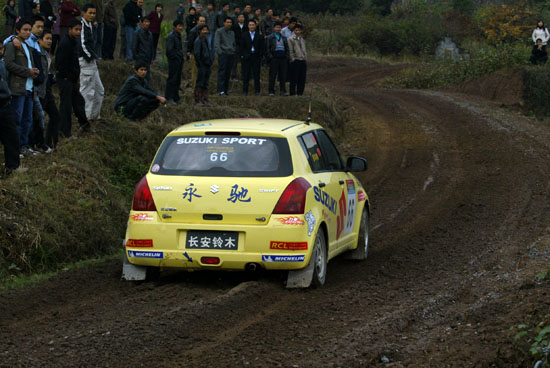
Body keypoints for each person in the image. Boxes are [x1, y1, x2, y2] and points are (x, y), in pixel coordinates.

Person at [4, 19, 39, 155]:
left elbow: (29, 65)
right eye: (25, 29)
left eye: (29, 30)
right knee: (16, 119)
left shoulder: (26, 46)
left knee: (27, 119)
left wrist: (34, 72)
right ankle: (15, 147)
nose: (28, 32)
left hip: (29, 87)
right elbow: (8, 64)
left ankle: (24, 145)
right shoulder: (12, 45)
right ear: (17, 30)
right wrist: (27, 72)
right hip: (17, 88)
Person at [56, 18, 90, 137]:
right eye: (76, 29)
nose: (78, 32)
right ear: (70, 29)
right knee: (66, 106)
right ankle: (65, 132)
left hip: (72, 79)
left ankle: (85, 125)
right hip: (66, 79)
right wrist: (66, 76)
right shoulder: (65, 43)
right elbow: (60, 63)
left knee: (78, 102)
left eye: (80, 30)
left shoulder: (74, 42)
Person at [79, 3, 104, 124]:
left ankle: (95, 115)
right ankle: (86, 118)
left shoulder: (90, 25)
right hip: (86, 61)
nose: (92, 15)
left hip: (92, 61)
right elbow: (82, 44)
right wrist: (90, 57)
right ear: (83, 13)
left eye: (94, 13)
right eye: (90, 13)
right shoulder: (82, 25)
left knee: (100, 90)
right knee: (87, 91)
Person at [0, 41, 22, 175]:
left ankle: (12, 166)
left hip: (5, 103)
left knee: (11, 136)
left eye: (1, 48)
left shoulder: (2, 62)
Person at [37, 28, 60, 149]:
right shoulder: (38, 54)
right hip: (40, 91)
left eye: (51, 39)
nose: (50, 41)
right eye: (47, 39)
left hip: (47, 90)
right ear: (40, 40)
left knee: (55, 115)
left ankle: (51, 142)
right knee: (38, 119)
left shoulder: (47, 54)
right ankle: (39, 144)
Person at [240, 18, 262, 96]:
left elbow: (261, 47)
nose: (251, 26)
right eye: (250, 25)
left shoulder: (259, 36)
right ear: (248, 26)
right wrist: (243, 55)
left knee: (256, 75)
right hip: (247, 57)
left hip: (256, 57)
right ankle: (245, 91)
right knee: (246, 75)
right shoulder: (244, 35)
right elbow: (242, 47)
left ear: (255, 26)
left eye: (253, 25)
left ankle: (257, 91)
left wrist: (260, 56)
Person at [266, 21, 289, 96]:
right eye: (277, 27)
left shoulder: (284, 38)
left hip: (283, 58)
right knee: (273, 75)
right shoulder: (270, 37)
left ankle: (283, 90)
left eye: (279, 27)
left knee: (283, 75)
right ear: (274, 28)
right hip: (274, 57)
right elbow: (267, 49)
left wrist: (287, 56)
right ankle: (271, 91)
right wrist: (270, 57)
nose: (278, 29)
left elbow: (287, 48)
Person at [214, 16, 234, 96]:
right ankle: (220, 90)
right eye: (227, 22)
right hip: (223, 54)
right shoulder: (219, 31)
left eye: (230, 22)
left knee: (228, 73)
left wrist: (233, 50)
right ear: (224, 23)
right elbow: (217, 43)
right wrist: (220, 52)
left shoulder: (232, 32)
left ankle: (225, 90)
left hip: (231, 53)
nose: (229, 24)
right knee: (222, 72)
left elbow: (233, 43)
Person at [165, 19, 184, 105]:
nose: (181, 28)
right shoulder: (171, 36)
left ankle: (176, 97)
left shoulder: (178, 35)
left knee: (177, 80)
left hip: (179, 60)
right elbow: (169, 50)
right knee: (172, 79)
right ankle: (169, 97)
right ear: (174, 27)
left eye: (181, 26)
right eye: (179, 26)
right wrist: (176, 56)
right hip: (173, 61)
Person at [193, 24, 212, 106]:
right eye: (203, 30)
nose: (205, 31)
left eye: (206, 30)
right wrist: (200, 64)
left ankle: (205, 99)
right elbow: (197, 54)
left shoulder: (206, 39)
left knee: (205, 83)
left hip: (207, 64)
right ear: (200, 31)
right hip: (202, 64)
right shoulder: (198, 41)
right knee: (200, 82)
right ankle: (198, 100)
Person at [186, 14, 206, 88]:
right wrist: (189, 53)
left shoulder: (204, 31)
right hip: (195, 55)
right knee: (194, 73)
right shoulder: (193, 31)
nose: (202, 22)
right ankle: (194, 88)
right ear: (197, 22)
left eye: (204, 21)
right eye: (201, 21)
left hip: (202, 55)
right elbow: (190, 43)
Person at [132, 15, 153, 81]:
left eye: (148, 22)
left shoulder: (150, 34)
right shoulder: (137, 33)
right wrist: (137, 57)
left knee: (147, 78)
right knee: (139, 78)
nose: (147, 23)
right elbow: (134, 47)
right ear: (141, 23)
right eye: (145, 22)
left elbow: (151, 47)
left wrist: (151, 58)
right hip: (140, 59)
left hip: (147, 59)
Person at [288, 24, 306, 96]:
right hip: (295, 60)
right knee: (294, 78)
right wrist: (292, 59)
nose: (298, 31)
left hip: (303, 60)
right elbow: (290, 51)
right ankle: (292, 93)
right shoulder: (290, 39)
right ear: (294, 31)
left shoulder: (302, 39)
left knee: (302, 78)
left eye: (299, 30)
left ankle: (300, 93)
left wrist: (305, 58)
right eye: (296, 30)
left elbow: (304, 50)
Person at [231, 13, 247, 81]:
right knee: (234, 62)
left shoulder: (246, 27)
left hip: (244, 46)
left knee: (244, 62)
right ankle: (233, 76)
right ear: (237, 19)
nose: (241, 18)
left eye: (242, 17)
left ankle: (244, 76)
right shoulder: (234, 26)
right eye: (240, 17)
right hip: (236, 45)